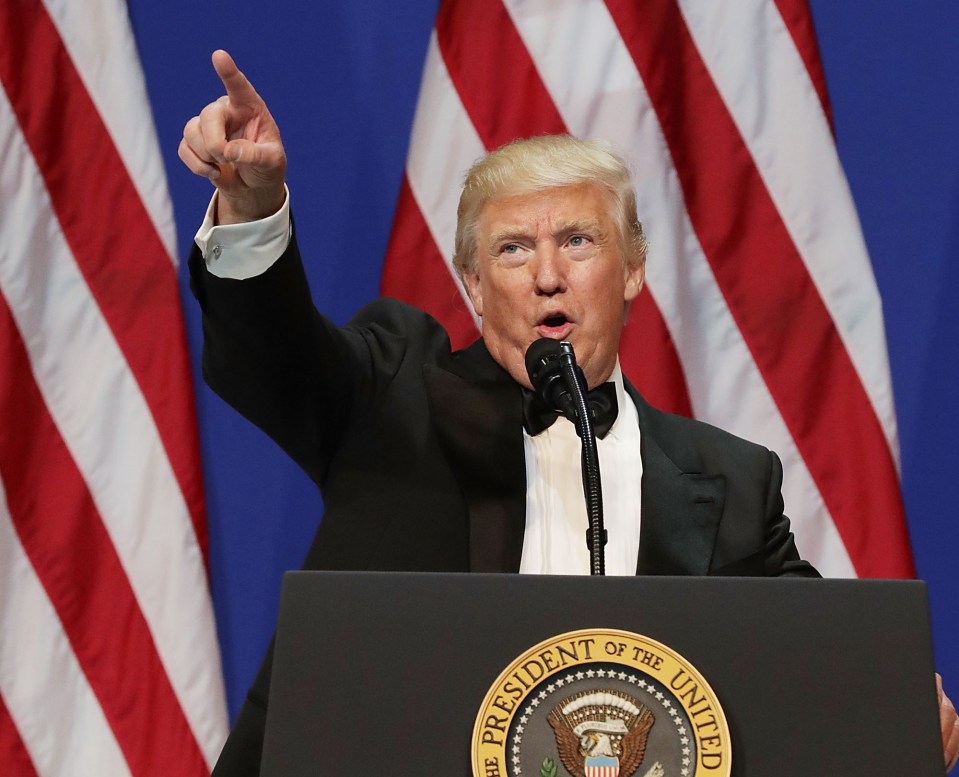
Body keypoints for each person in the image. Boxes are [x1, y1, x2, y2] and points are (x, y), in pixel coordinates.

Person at [179, 50, 959, 775]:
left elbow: (804, 654)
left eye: (578, 240)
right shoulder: (393, 396)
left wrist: (886, 697)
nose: (547, 274)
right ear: (475, 287)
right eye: (513, 249)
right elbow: (275, 356)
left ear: (632, 272)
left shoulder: (728, 482)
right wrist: (252, 208)